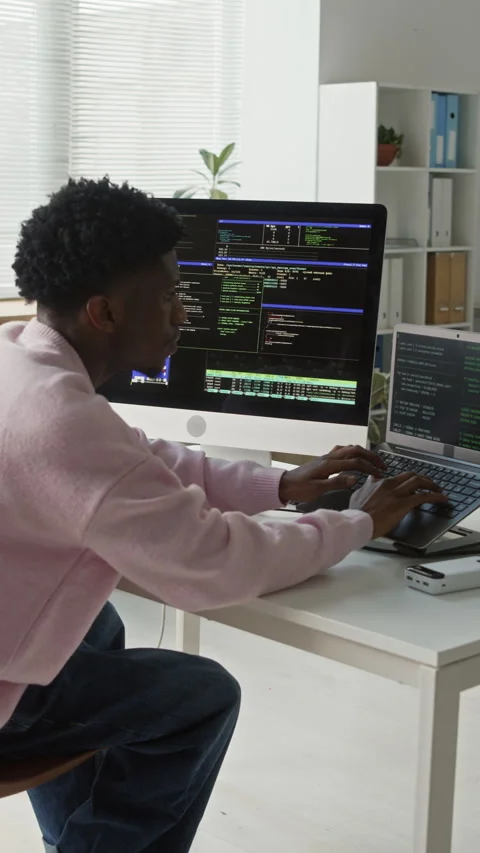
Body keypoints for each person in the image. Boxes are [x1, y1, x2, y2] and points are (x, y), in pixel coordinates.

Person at [0, 177, 447, 853]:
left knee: (98, 618)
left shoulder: (21, 361)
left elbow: (139, 457)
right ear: (105, 313)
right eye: (171, 296)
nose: (185, 314)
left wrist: (281, 486)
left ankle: (77, 836)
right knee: (200, 694)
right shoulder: (61, 422)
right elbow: (217, 564)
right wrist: (359, 523)